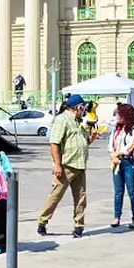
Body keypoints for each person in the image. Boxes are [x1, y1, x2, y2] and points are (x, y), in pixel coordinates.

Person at [38, 94, 98, 238]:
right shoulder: (62, 120)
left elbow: (82, 142)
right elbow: (54, 143)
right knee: (56, 195)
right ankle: (43, 221)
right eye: (83, 107)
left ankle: (79, 225)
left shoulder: (78, 122)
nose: (84, 110)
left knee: (81, 197)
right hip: (67, 165)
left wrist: (91, 138)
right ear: (77, 107)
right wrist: (57, 164)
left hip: (80, 165)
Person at [108, 103, 134, 229]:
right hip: (116, 163)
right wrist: (113, 155)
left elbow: (130, 147)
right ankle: (117, 217)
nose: (117, 116)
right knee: (118, 192)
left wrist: (118, 153)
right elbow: (110, 145)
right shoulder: (116, 129)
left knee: (132, 191)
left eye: (120, 114)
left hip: (129, 162)